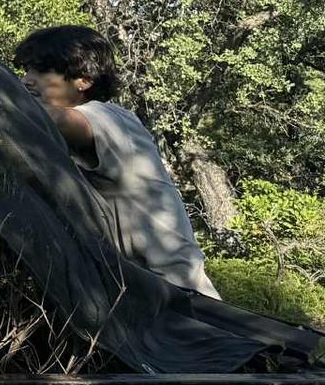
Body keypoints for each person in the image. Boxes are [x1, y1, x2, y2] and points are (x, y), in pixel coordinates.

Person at [13, 24, 221, 299]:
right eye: (26, 70)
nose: (27, 80)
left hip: (181, 299)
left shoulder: (111, 119)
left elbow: (53, 120)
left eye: (41, 71)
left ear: (83, 80)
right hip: (134, 300)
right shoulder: (61, 138)